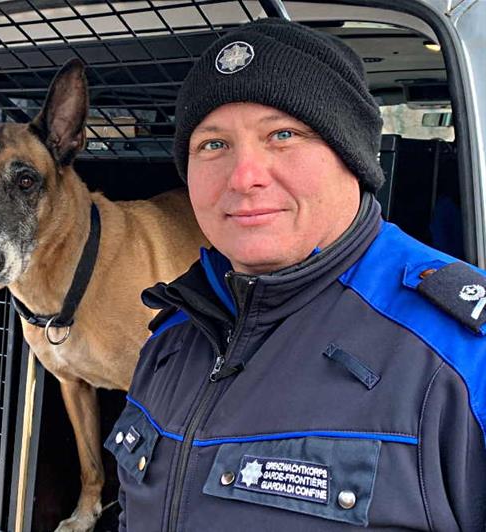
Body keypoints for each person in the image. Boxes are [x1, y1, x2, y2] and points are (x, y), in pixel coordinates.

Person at [104, 17, 486, 531]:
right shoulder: (173, 336)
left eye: (283, 135)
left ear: (353, 155)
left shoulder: (462, 357)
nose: (243, 178)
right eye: (213, 145)